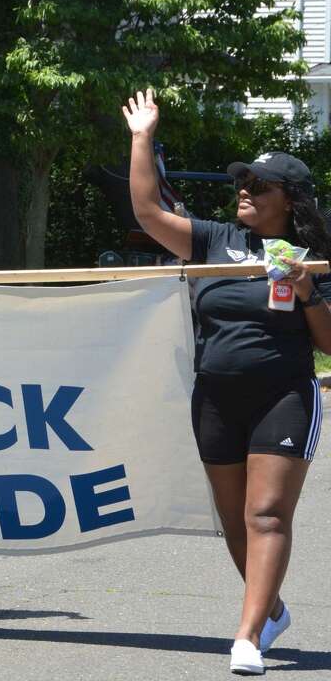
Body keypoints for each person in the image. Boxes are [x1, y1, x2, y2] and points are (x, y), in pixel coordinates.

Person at [123, 90, 331, 675]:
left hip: (284, 396)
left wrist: (310, 290)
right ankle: (271, 610)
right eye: (242, 182)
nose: (244, 190)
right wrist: (142, 137)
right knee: (237, 522)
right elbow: (146, 213)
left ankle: (246, 637)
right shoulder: (214, 239)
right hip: (214, 395)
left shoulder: (316, 256)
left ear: (288, 201)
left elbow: (330, 344)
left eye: (258, 186)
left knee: (266, 515)